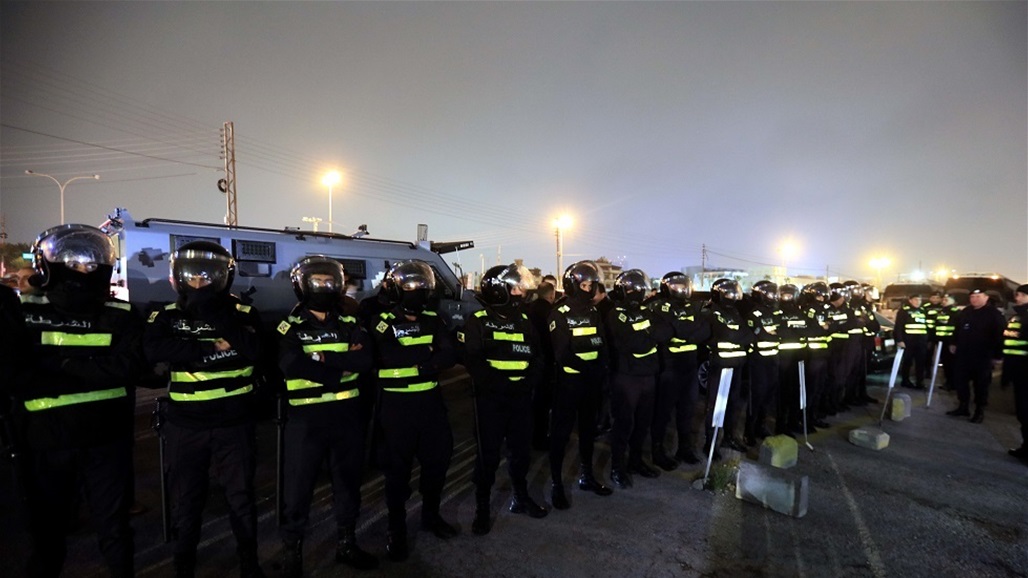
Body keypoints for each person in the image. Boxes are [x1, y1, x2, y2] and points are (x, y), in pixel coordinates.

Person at [6, 224, 143, 578]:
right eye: (76, 264)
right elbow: (15, 374)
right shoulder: (21, 310)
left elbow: (129, 367)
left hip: (98, 441)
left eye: (89, 264)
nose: (84, 271)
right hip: (51, 441)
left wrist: (58, 365)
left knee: (111, 531)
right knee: (49, 534)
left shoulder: (120, 312)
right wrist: (95, 368)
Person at [143, 240, 265, 577]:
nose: (199, 284)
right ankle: (184, 566)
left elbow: (253, 351)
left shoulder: (243, 313)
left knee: (241, 498)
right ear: (178, 278)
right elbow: (154, 350)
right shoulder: (164, 314)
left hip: (233, 423)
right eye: (192, 278)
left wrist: (210, 324)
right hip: (185, 425)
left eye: (206, 278)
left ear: (222, 278)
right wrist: (216, 347)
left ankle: (249, 564)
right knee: (186, 501)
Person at [275, 256, 377, 576]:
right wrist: (341, 361)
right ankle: (293, 553)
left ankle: (346, 544)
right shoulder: (289, 326)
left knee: (348, 485)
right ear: (303, 285)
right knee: (298, 489)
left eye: (330, 281)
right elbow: (292, 364)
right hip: (306, 421)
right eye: (317, 282)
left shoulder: (350, 323)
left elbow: (366, 361)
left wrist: (320, 357)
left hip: (347, 418)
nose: (325, 287)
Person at [370, 260, 458, 561]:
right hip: (396, 408)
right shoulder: (382, 320)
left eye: (422, 287)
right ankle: (396, 531)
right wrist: (428, 355)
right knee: (397, 473)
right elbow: (386, 356)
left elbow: (450, 354)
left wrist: (419, 360)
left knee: (439, 462)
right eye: (411, 287)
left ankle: (430, 517)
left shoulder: (435, 318)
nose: (418, 292)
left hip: (431, 405)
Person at [459, 264, 548, 536]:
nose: (520, 292)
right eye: (515, 287)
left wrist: (527, 383)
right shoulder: (478, 320)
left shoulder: (524, 320)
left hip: (520, 399)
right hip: (491, 401)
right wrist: (501, 385)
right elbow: (473, 360)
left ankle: (520, 497)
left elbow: (538, 357)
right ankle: (482, 509)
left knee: (521, 452)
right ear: (499, 290)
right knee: (487, 456)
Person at [547, 261, 612, 509]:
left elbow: (602, 344)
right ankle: (557, 485)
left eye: (591, 284)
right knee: (561, 436)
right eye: (584, 284)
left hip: (591, 384)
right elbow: (562, 354)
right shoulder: (559, 313)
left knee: (588, 432)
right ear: (573, 285)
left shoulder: (594, 312)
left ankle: (587, 476)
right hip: (569, 384)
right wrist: (589, 370)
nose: (588, 289)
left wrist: (602, 370)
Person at [604, 269, 671, 488]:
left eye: (638, 289)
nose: (636, 293)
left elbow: (667, 331)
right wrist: (651, 336)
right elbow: (633, 343)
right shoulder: (617, 314)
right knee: (624, 424)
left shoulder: (645, 310)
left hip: (648, 376)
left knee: (643, 424)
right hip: (627, 378)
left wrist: (647, 335)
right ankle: (617, 467)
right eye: (631, 289)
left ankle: (635, 461)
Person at [648, 272, 709, 467]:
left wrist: (687, 333)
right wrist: (688, 329)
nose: (683, 290)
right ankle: (657, 451)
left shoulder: (692, 306)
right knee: (663, 413)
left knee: (688, 411)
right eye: (677, 287)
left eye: (684, 286)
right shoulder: (660, 307)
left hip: (689, 368)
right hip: (669, 367)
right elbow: (675, 329)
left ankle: (685, 449)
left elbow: (704, 329)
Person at [701, 278, 753, 457]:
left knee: (733, 404)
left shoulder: (734, 311)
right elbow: (723, 334)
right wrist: (735, 334)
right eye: (728, 293)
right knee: (716, 406)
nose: (732, 297)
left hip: (737, 365)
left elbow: (748, 335)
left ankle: (728, 437)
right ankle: (710, 443)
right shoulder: (710, 311)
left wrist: (733, 334)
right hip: (720, 366)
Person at [947, 288, 1006, 423]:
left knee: (981, 385)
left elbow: (1000, 336)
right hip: (963, 354)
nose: (975, 299)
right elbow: (957, 328)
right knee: (961, 382)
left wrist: (998, 356)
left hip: (983, 356)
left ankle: (979, 411)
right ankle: (963, 407)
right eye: (972, 297)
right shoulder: (966, 312)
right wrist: (953, 342)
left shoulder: (994, 314)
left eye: (978, 296)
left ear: (986, 298)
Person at [742, 280, 781, 445]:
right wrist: (773, 333)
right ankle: (748, 432)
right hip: (758, 361)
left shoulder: (773, 312)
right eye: (770, 294)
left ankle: (761, 427)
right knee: (756, 397)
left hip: (773, 360)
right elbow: (761, 334)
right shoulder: (754, 313)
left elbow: (782, 331)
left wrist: (773, 332)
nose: (773, 297)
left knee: (767, 396)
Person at [775, 284, 812, 434]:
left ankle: (793, 422)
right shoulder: (776, 312)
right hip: (783, 360)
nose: (788, 297)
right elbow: (779, 331)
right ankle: (780, 426)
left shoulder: (800, 312)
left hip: (800, 358)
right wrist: (795, 328)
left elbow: (812, 329)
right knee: (783, 395)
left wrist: (792, 328)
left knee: (797, 393)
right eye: (785, 294)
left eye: (790, 295)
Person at [526, 280, 557, 450]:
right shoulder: (550, 313)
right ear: (551, 295)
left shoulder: (528, 309)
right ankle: (540, 438)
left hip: (528, 362)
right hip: (545, 364)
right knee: (543, 404)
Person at [799, 282, 833, 429]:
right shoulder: (809, 310)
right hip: (812, 354)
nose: (822, 297)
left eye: (823, 294)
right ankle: (806, 418)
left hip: (823, 353)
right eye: (819, 295)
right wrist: (824, 328)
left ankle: (815, 416)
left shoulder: (824, 309)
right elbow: (811, 329)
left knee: (820, 387)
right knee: (811, 388)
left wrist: (826, 327)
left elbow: (833, 326)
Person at [1001, 284, 1028, 461]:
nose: (1015, 298)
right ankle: (1025, 447)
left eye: (1018, 295)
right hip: (1018, 371)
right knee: (1023, 413)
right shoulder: (1019, 316)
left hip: (1025, 372)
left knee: (1026, 412)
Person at [895, 294, 929, 390]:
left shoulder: (923, 311)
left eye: (919, 300)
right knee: (907, 362)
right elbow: (898, 327)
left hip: (921, 342)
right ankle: (905, 380)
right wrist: (900, 340)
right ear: (910, 300)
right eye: (915, 300)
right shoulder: (904, 311)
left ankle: (920, 382)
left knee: (920, 363)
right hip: (908, 341)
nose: (918, 302)